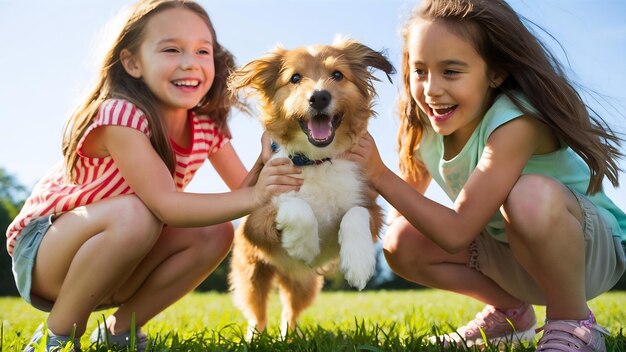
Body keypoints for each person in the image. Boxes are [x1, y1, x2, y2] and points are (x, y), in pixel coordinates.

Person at [5, 0, 303, 351]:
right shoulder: (120, 115)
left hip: (121, 255)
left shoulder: (207, 126)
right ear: (132, 63)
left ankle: (119, 330)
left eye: (202, 51)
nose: (190, 62)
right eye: (172, 49)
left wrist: (266, 160)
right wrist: (254, 195)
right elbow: (166, 206)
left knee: (216, 232)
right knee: (136, 213)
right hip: (45, 254)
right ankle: (57, 337)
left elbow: (242, 193)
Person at [347, 0, 626, 351]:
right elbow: (405, 210)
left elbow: (457, 231)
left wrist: (379, 174)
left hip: (588, 254)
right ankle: (511, 315)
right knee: (400, 241)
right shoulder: (422, 122)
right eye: (420, 71)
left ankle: (574, 324)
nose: (431, 89)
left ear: (495, 73)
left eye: (451, 71)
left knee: (528, 195)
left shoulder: (517, 122)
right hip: (514, 254)